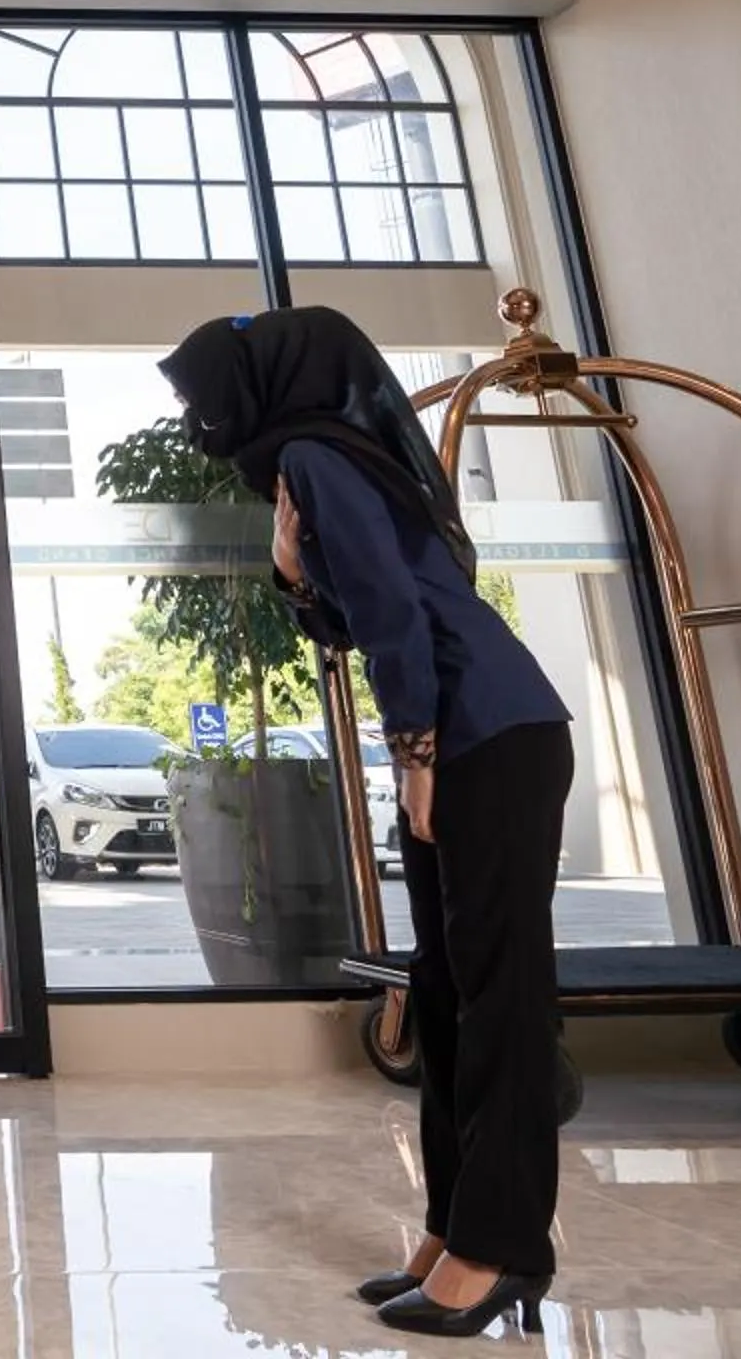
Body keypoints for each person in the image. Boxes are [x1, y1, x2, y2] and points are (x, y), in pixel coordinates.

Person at [160, 306, 573, 1342]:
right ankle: (452, 1225)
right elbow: (369, 604)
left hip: (490, 734)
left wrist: (418, 752)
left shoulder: (313, 450)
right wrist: (294, 570)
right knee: (446, 989)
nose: (194, 413)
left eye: (198, 390)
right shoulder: (318, 459)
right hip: (476, 731)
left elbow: (396, 615)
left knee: (500, 997)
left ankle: (502, 1244)